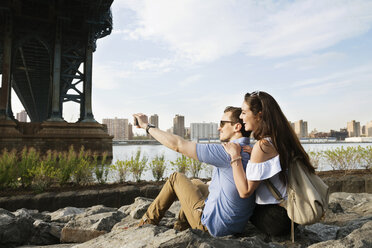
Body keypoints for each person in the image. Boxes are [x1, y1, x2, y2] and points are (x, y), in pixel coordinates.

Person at [133, 106, 255, 237]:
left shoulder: (226, 151)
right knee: (196, 182)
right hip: (235, 226)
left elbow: (178, 145)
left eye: (222, 124)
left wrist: (146, 126)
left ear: (237, 127)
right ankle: (181, 227)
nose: (219, 128)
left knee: (176, 178)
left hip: (212, 228)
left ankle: (146, 223)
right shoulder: (252, 151)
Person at [223, 91, 316, 236]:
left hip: (274, 219)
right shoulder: (279, 139)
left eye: (243, 112)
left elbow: (245, 191)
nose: (241, 118)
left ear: (259, 115)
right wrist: (255, 153)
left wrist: (235, 157)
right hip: (290, 214)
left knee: (231, 198)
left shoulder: (263, 146)